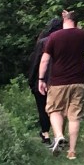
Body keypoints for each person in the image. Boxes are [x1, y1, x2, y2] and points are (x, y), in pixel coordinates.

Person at [38, 10, 84, 161]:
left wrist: (41, 79)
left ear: (63, 19)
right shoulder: (83, 35)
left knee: (54, 110)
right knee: (74, 116)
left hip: (58, 81)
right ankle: (72, 151)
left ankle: (59, 136)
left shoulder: (54, 36)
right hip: (80, 80)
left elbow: (45, 60)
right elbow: (79, 32)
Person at [27, 16, 62, 144]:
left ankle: (46, 134)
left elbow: (36, 62)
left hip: (42, 80)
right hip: (59, 80)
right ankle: (59, 134)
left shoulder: (43, 42)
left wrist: (32, 80)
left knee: (42, 107)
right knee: (57, 108)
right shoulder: (64, 42)